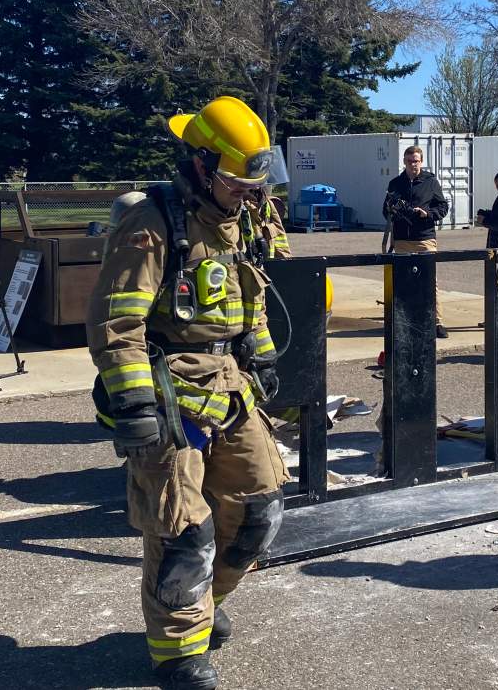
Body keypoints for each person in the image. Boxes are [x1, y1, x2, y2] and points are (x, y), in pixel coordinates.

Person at [87, 95, 290, 690]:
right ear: (200, 164)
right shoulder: (152, 224)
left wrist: (261, 350)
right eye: (236, 180)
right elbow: (115, 324)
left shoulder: (240, 217)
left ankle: (201, 606)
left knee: (259, 509)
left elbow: (246, 295)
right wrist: (135, 404)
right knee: (182, 529)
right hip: (169, 388)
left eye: (255, 180)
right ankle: (177, 656)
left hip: (231, 385)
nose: (250, 192)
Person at [383, 145, 450, 338]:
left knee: (430, 282)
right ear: (404, 162)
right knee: (403, 282)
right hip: (402, 240)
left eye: (417, 161)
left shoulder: (430, 182)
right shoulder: (395, 183)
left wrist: (427, 214)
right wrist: (393, 211)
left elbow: (443, 208)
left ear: (421, 162)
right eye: (410, 161)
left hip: (424, 238)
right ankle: (403, 320)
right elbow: (385, 210)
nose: (414, 164)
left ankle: (437, 322)